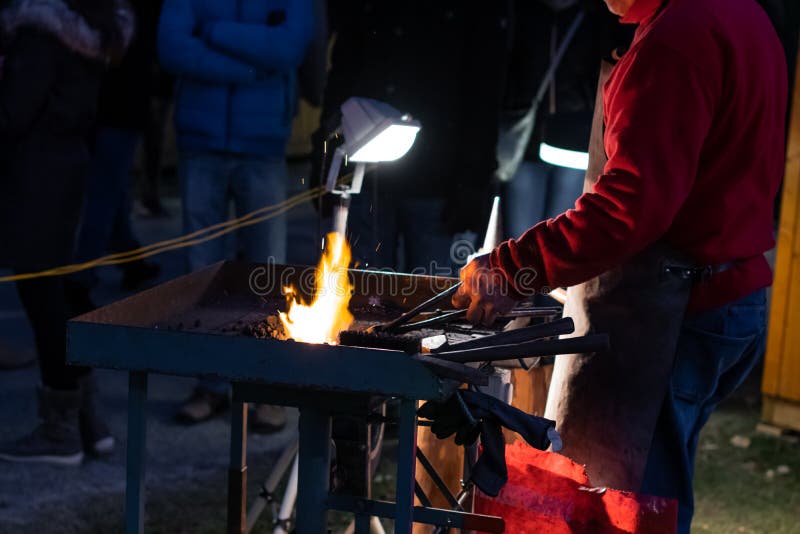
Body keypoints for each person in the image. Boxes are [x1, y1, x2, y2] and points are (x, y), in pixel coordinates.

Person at [452, 0, 787, 532]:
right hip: (729, 297)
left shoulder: (677, 38)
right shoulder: (739, 12)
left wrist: (515, 267)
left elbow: (629, 207)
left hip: (678, 313)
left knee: (636, 510)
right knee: (657, 499)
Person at [158, 0, 314, 430]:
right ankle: (209, 384)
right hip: (201, 141)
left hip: (262, 144)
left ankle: (265, 387)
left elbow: (289, 48)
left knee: (267, 275)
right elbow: (171, 46)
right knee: (202, 275)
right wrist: (251, 67)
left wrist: (213, 31)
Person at [0, 0, 133, 465]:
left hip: (34, 175)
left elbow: (13, 114)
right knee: (57, 295)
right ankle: (87, 422)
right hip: (65, 167)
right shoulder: (90, 30)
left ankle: (62, 430)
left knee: (44, 299)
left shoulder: (39, 34)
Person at [313, 1, 511, 277]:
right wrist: (325, 151)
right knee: (366, 286)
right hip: (368, 169)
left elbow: (484, 90)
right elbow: (345, 70)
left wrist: (473, 180)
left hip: (438, 177)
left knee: (430, 288)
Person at [498, 0, 632, 239]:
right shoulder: (526, 13)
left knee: (561, 232)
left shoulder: (592, 18)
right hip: (528, 137)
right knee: (521, 234)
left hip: (571, 138)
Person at [66, 0, 165, 314]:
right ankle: (80, 280)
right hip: (120, 105)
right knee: (105, 193)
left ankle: (130, 259)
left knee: (110, 188)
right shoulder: (130, 13)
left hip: (104, 102)